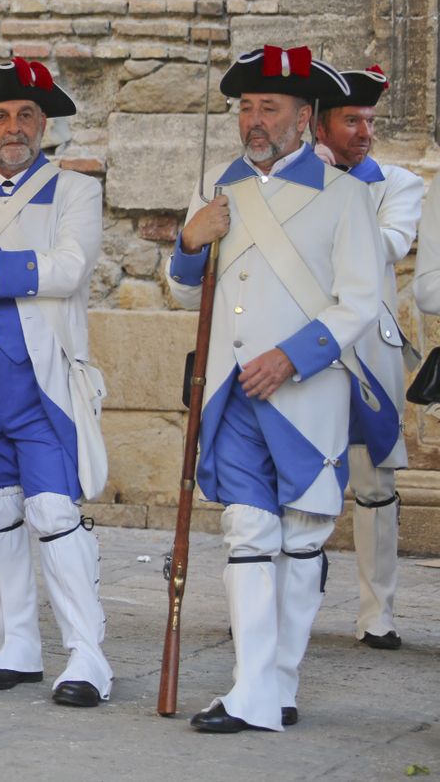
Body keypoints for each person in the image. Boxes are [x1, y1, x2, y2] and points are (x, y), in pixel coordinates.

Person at [167, 46, 380, 732]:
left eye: (271, 108)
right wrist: (190, 243)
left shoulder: (346, 198)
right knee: (247, 531)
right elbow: (181, 287)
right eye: (247, 108)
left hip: (304, 394)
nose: (255, 121)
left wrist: (291, 358)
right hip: (229, 391)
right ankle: (253, 689)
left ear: (305, 118)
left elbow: (360, 303)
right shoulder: (215, 182)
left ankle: (278, 682)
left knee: (303, 536)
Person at [0, 58, 110, 708]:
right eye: (0, 116)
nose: (13, 127)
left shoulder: (74, 191)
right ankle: (17, 642)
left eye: (26, 115)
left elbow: (70, 267)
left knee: (54, 513)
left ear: (44, 125)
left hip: (42, 387)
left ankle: (87, 654)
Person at [310, 64, 422, 650]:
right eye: (351, 120)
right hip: (303, 344)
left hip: (367, 352)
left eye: (370, 121)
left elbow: (385, 246)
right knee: (299, 474)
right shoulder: (290, 180)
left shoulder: (398, 185)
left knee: (374, 481)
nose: (364, 132)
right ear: (320, 126)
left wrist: (330, 194)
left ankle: (378, 611)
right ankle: (294, 590)